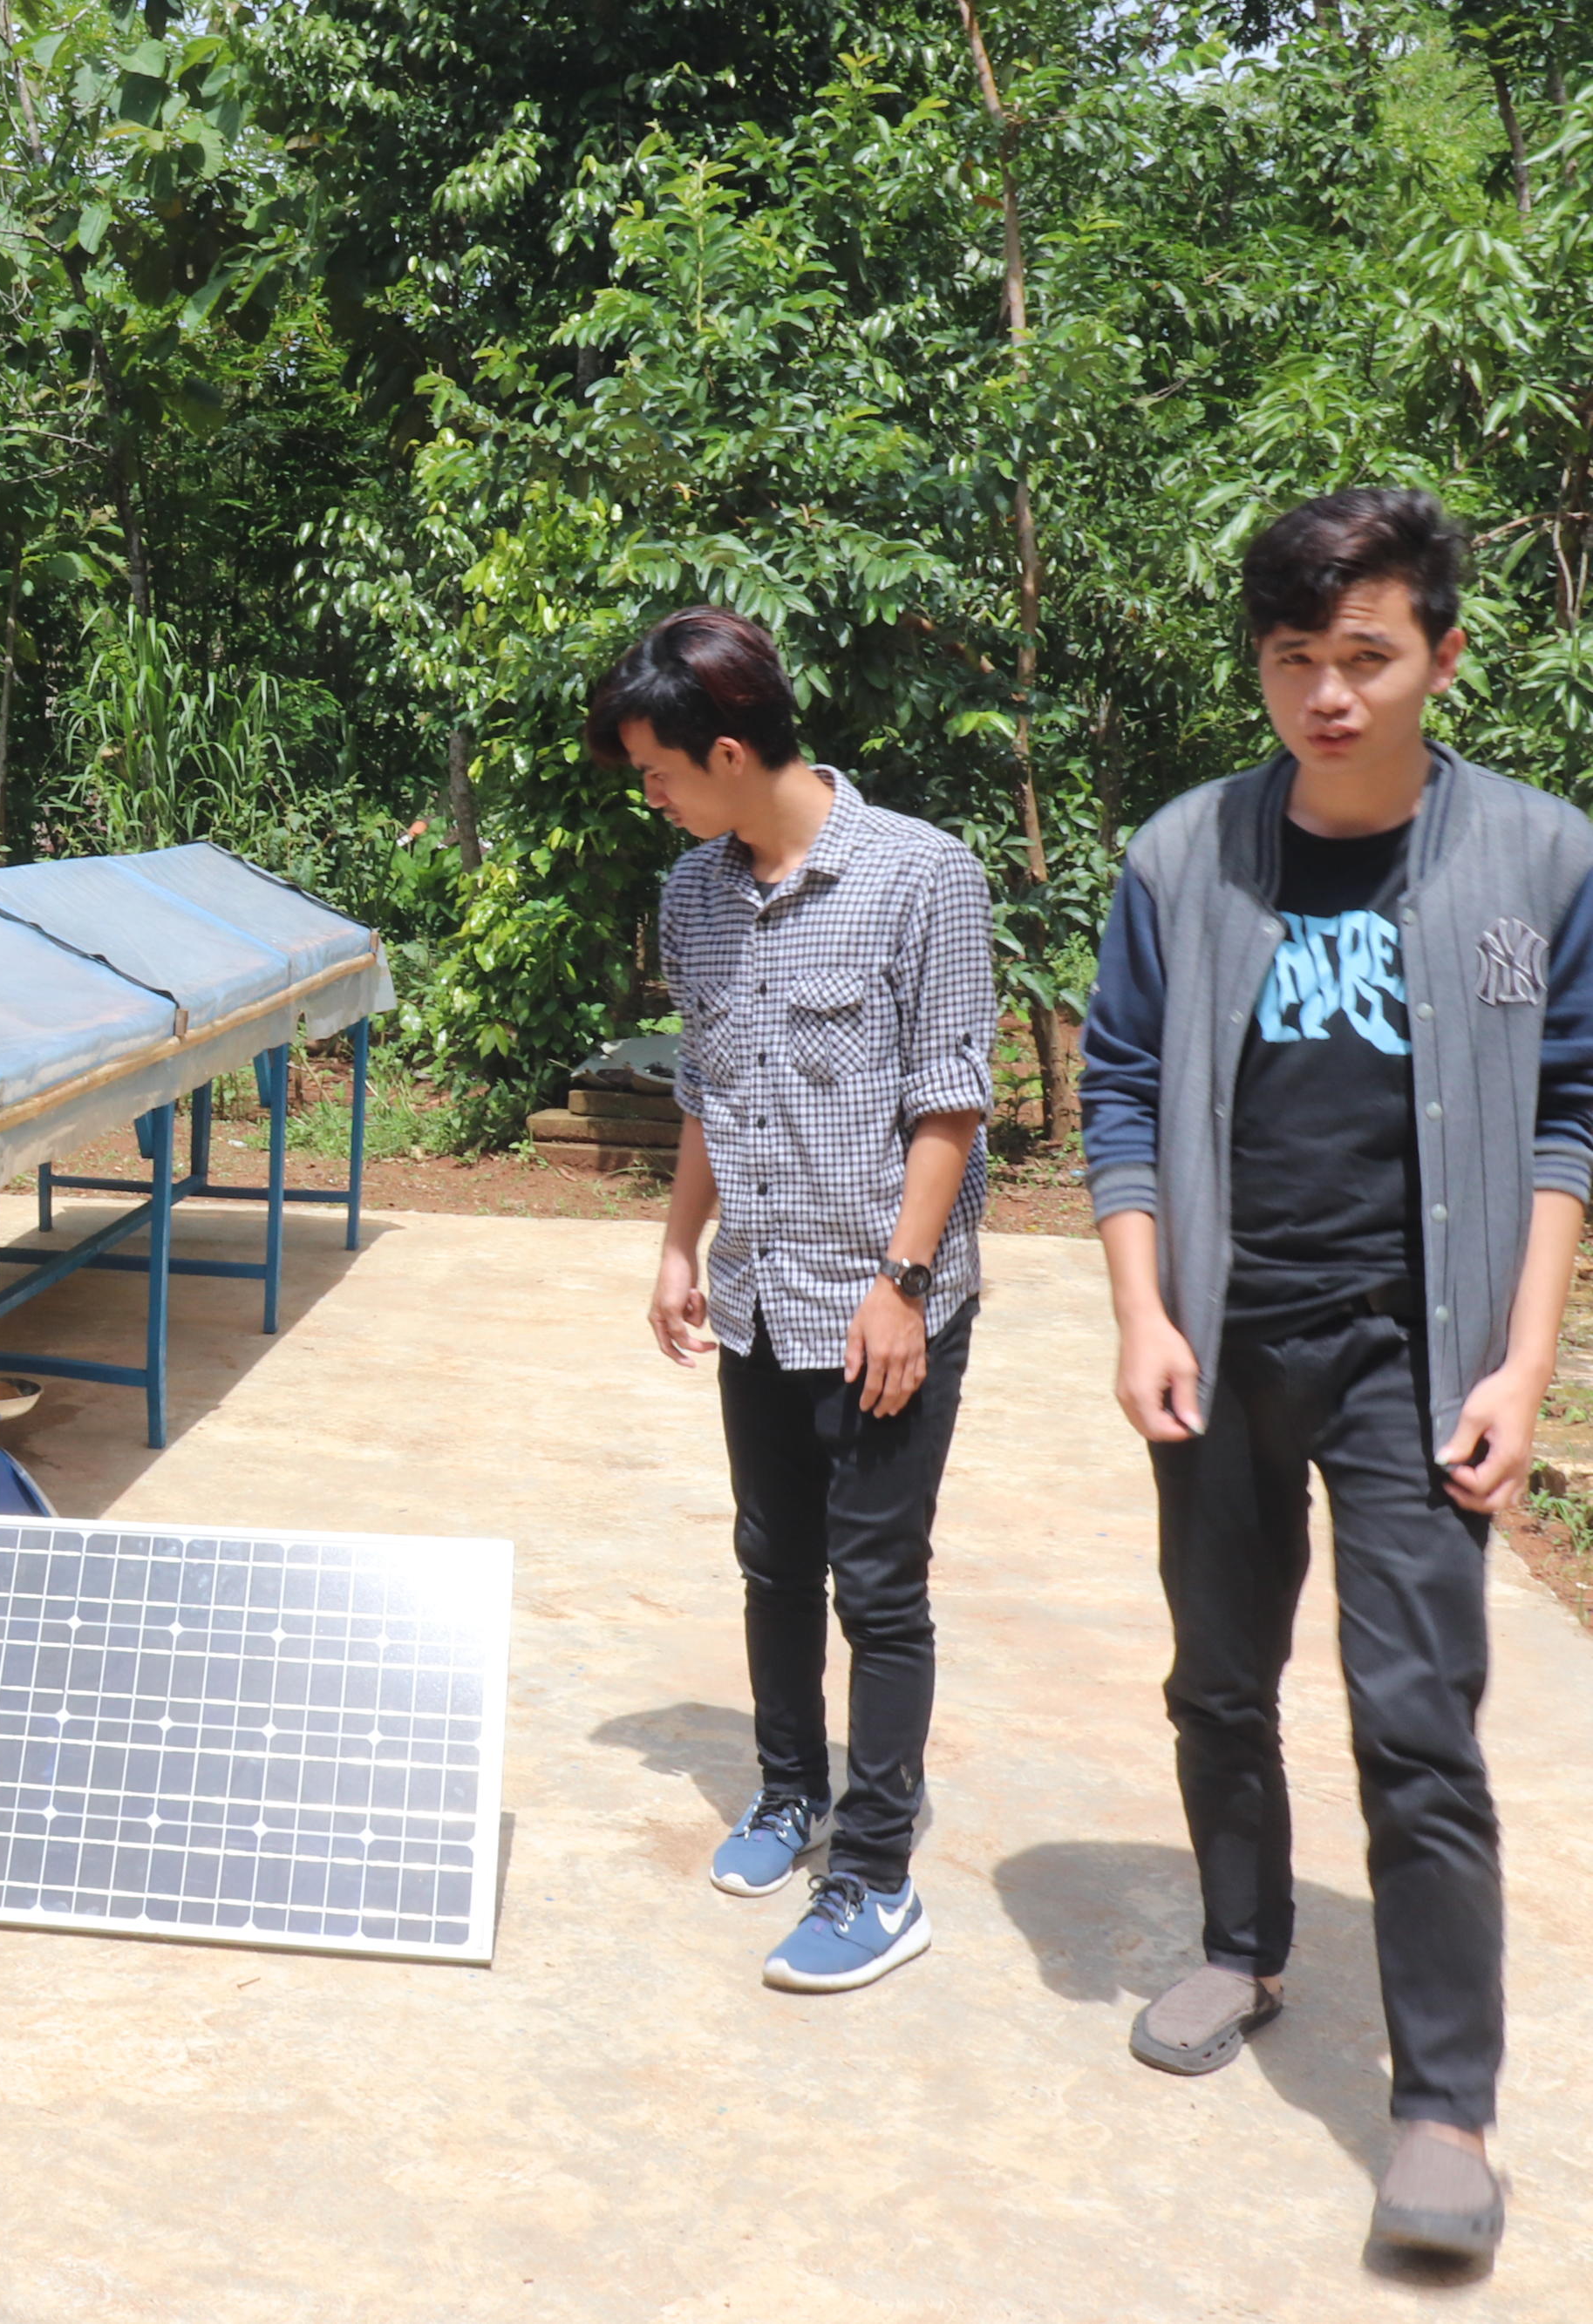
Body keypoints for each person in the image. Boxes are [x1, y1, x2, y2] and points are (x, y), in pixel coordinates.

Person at [1080, 489, 1590, 2266]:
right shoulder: (1180, 856)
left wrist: (1520, 1365)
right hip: (1219, 1340)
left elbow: (1561, 1117)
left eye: (1363, 656)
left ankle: (1440, 2099)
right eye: (1293, 658)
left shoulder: (1530, 864)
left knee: (1412, 1722)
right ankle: (1240, 1939)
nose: (1326, 694)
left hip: (1410, 1351)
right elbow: (1122, 1096)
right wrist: (1141, 1313)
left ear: (1437, 655)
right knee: (1215, 1676)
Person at [606, 606, 997, 1995]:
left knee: (879, 1586)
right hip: (761, 1293)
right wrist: (677, 1244)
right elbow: (710, 1087)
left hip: (882, 1304)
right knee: (774, 1558)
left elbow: (950, 1100)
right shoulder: (694, 896)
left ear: (725, 749)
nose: (648, 796)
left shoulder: (921, 877)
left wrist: (901, 1286)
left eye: (656, 771)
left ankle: (877, 1875)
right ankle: (791, 1795)